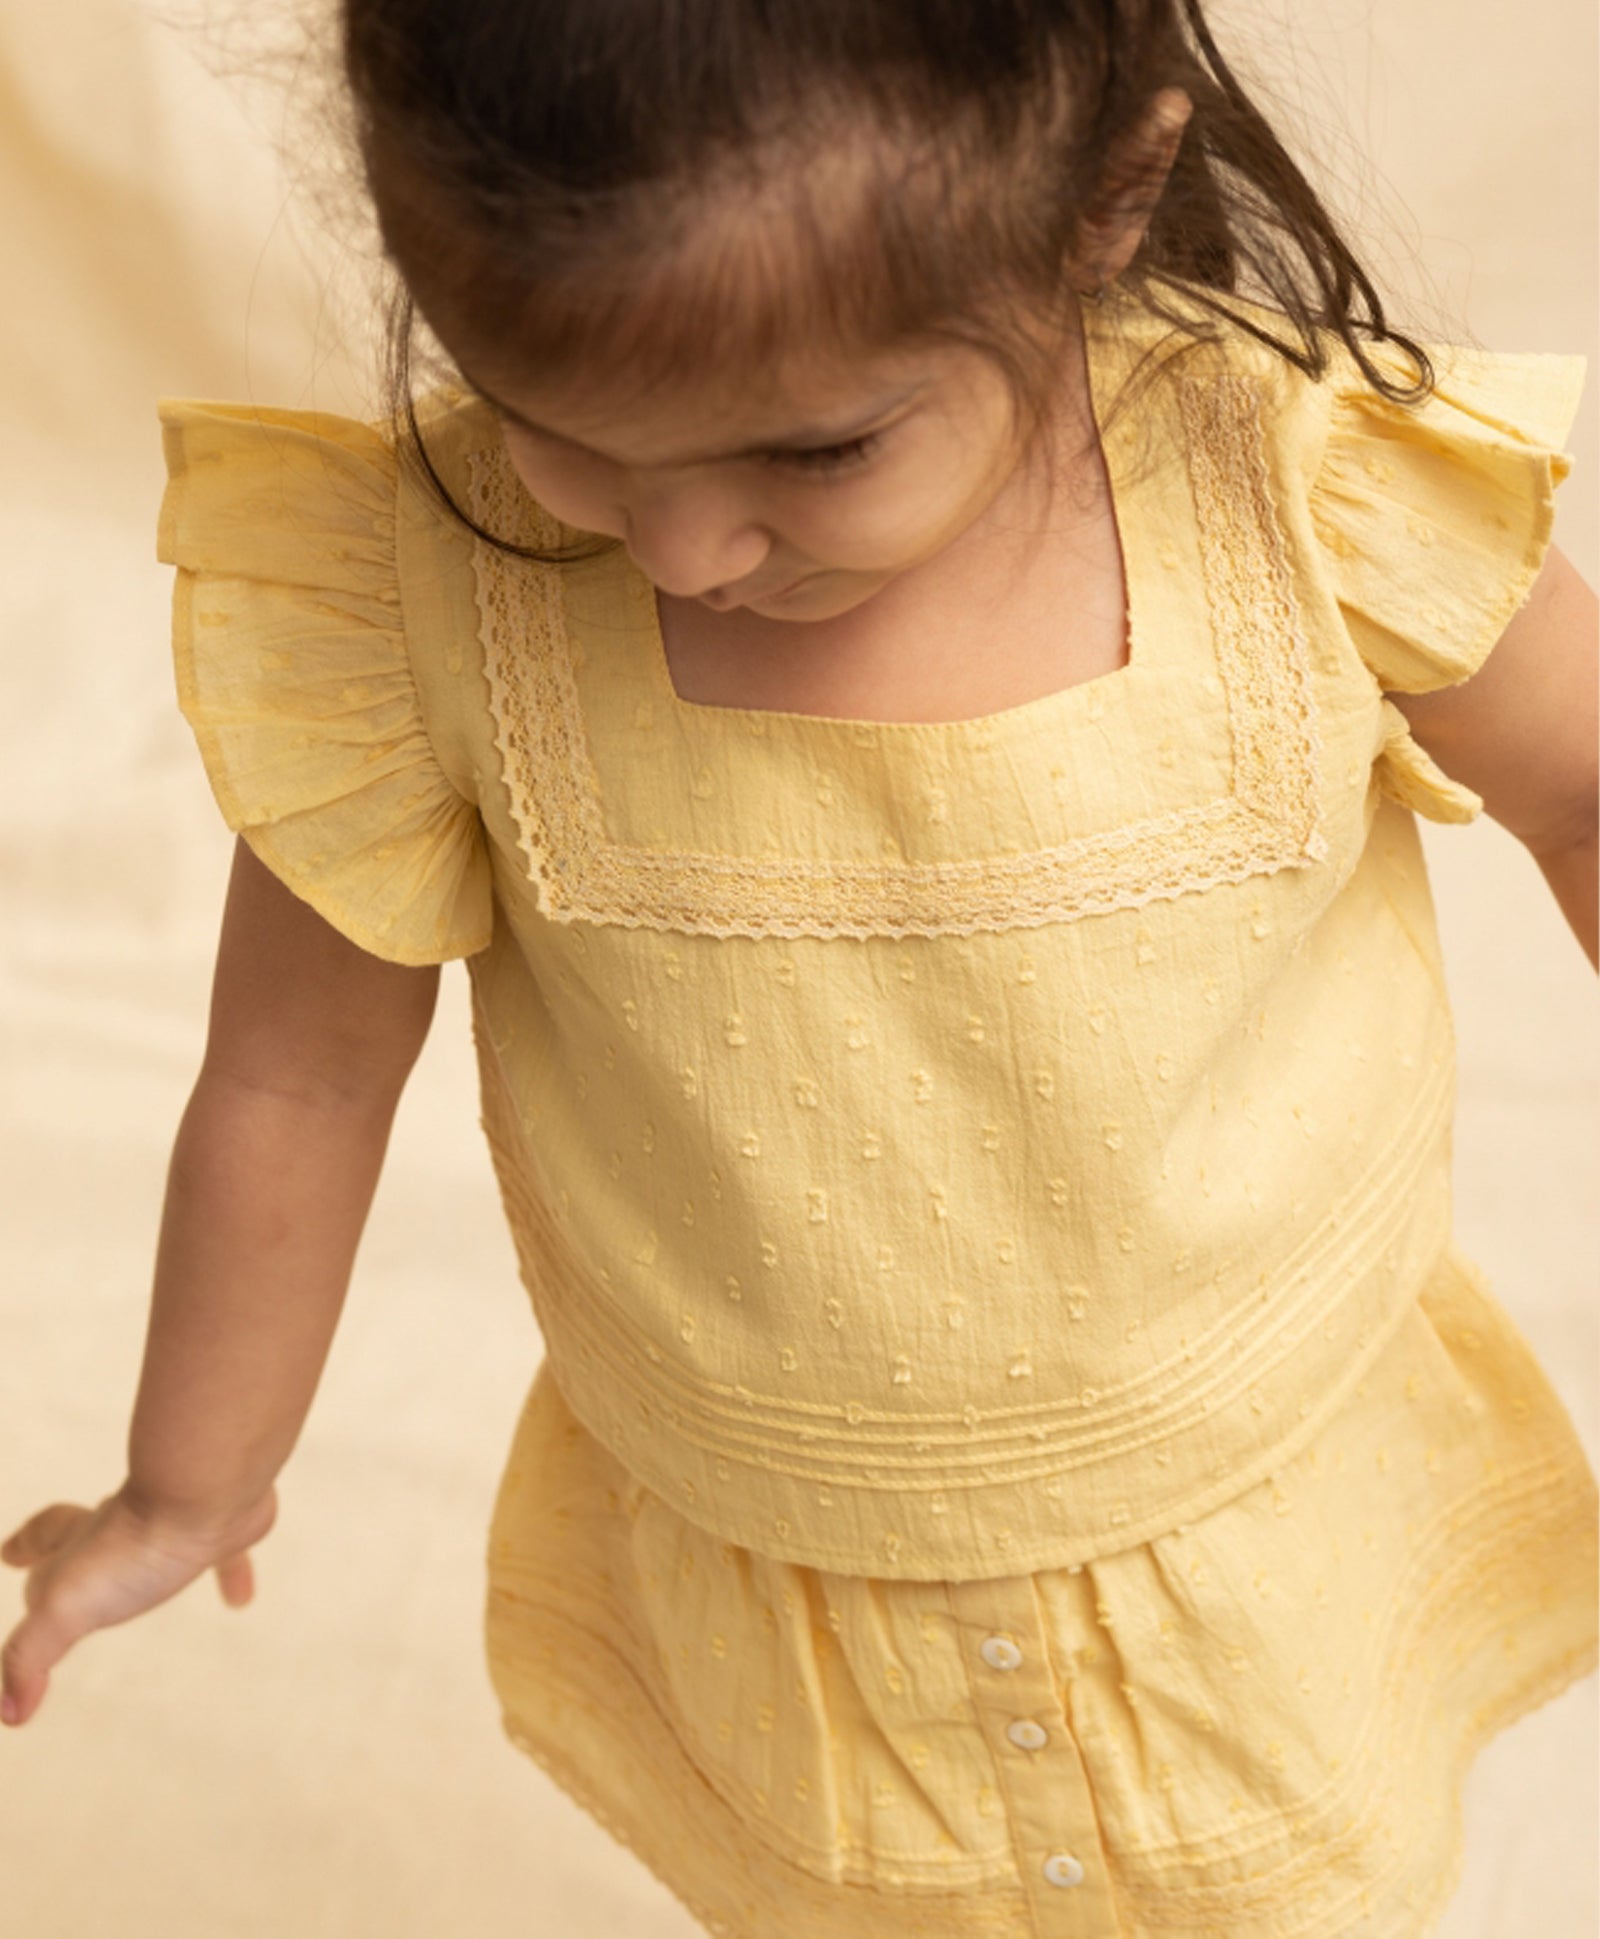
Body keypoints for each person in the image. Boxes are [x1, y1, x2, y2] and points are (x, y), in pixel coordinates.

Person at [3, 2, 1596, 1932]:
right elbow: (294, 1077)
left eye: (820, 445)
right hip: (786, 1594)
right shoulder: (425, 596)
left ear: (1100, 203)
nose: (680, 547)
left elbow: (1585, 793)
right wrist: (189, 1481)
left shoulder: (1293, 485)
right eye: (563, 426)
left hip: (1261, 1525)